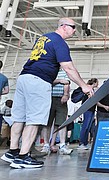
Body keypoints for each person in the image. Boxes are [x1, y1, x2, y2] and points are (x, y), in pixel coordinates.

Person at [1, 18, 94, 169]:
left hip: (24, 78)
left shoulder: (43, 38)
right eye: (73, 27)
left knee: (19, 118)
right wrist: (84, 86)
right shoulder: (59, 42)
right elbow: (68, 68)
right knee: (34, 120)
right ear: (63, 27)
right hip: (39, 81)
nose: (75, 30)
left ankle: (12, 152)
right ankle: (23, 157)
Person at [40, 68, 73, 155]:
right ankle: (46, 145)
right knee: (47, 123)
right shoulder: (47, 71)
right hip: (48, 99)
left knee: (62, 123)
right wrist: (59, 80)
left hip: (61, 99)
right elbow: (46, 83)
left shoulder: (65, 72)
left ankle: (62, 145)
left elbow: (66, 83)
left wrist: (66, 94)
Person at [78, 78, 99, 150]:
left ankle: (85, 143)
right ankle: (81, 143)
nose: (97, 84)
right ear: (94, 83)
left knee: (88, 127)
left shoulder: (93, 90)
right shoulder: (88, 89)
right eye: (97, 82)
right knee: (85, 126)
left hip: (92, 109)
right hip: (87, 109)